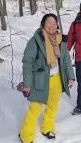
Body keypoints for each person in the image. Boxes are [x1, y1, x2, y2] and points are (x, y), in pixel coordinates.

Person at [19, 13, 75, 143]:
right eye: (48, 23)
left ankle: (47, 127)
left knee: (52, 106)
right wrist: (27, 83)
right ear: (43, 25)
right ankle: (25, 135)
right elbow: (28, 62)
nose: (51, 25)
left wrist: (70, 77)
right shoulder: (35, 40)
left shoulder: (60, 40)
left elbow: (66, 60)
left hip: (56, 78)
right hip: (40, 79)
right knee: (35, 108)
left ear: (57, 25)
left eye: (54, 23)